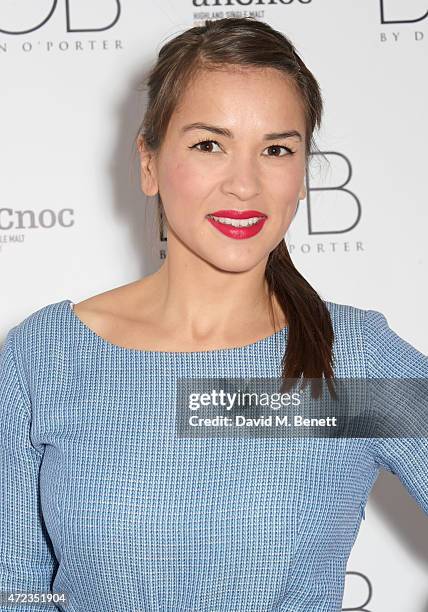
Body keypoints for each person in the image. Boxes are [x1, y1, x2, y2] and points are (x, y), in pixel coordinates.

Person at [1, 16, 427, 612]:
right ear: (148, 162)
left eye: (276, 149)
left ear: (302, 175)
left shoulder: (350, 360)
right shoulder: (50, 356)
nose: (245, 184)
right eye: (210, 145)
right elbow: (14, 588)